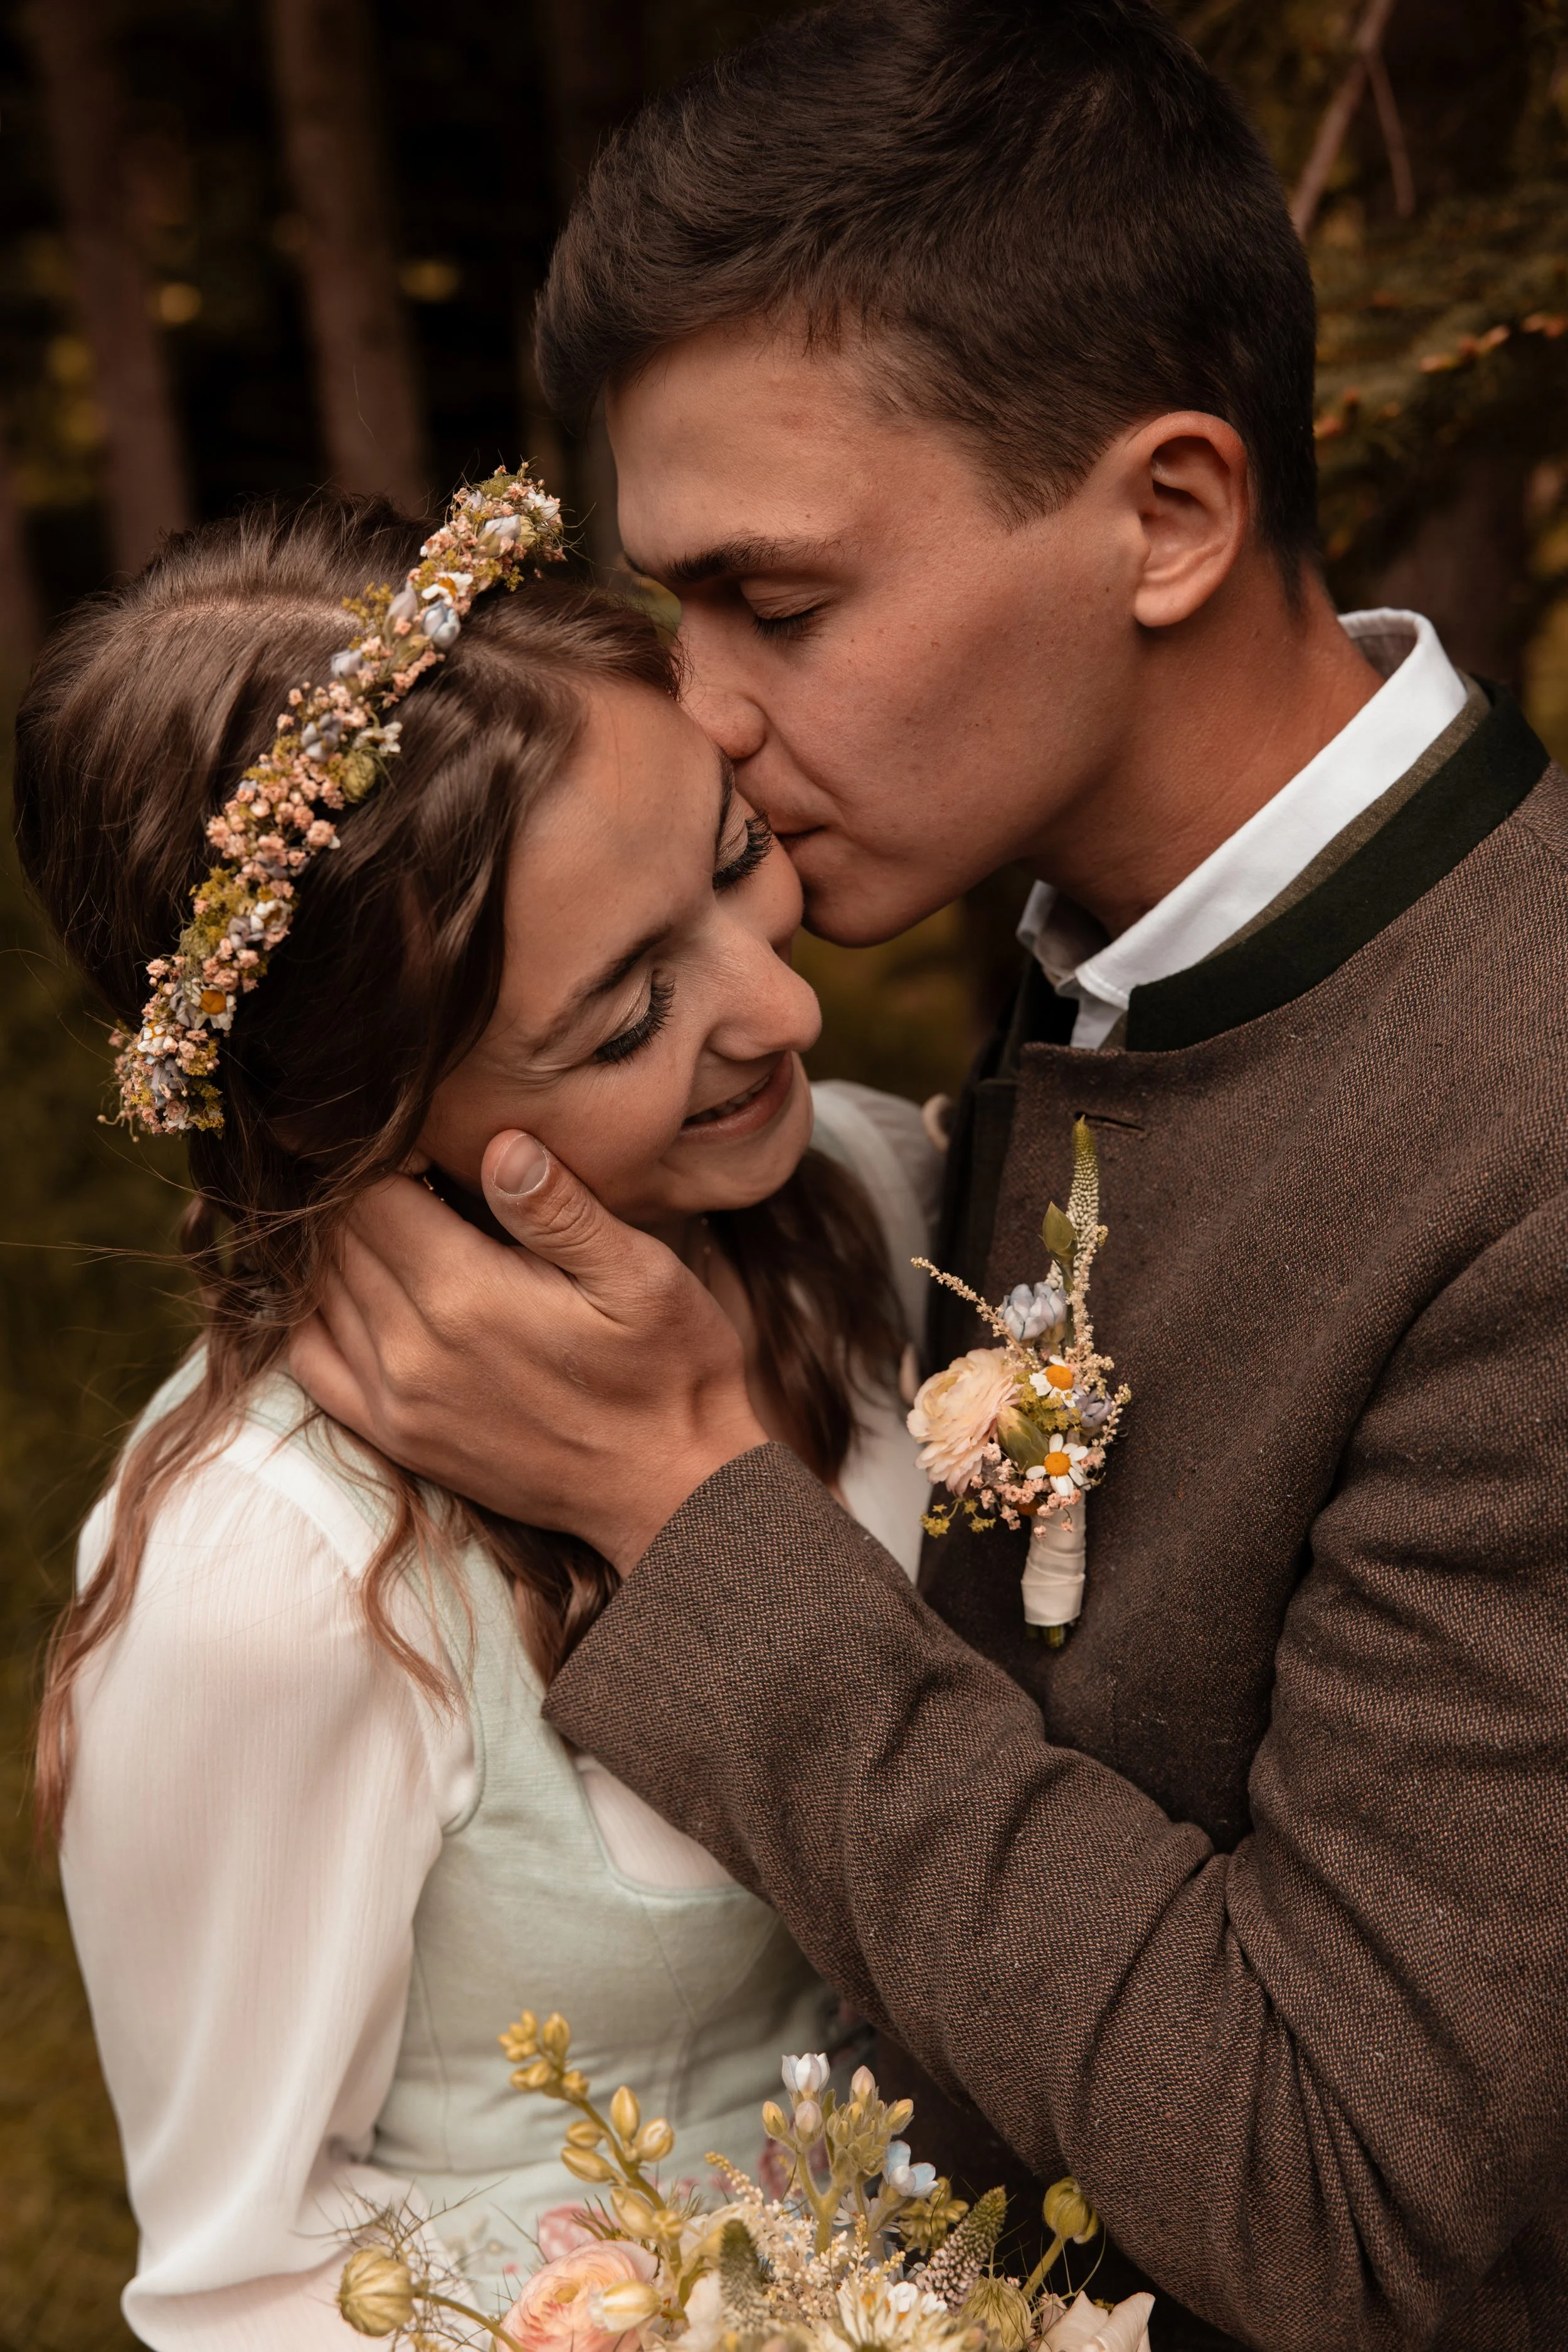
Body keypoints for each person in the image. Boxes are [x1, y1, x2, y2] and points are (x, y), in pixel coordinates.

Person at [285, 5, 1568, 2349]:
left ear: (1164, 516)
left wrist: (690, 1522)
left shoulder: (1534, 1135)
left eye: (774, 604)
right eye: (670, 609)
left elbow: (1371, 2210)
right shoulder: (1092, 935)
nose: (703, 712)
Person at [14, 489, 948, 2350]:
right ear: (369, 1113)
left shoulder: (870, 1196)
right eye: (621, 1019)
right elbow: (247, 2292)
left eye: (736, 850)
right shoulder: (272, 1578)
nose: (780, 1003)